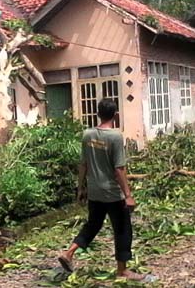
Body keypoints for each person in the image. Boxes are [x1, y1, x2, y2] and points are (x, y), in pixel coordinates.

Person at [57, 99, 144, 281]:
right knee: (122, 229)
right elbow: (119, 169)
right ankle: (122, 271)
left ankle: (69, 253)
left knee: (93, 225)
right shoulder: (115, 137)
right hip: (112, 193)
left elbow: (83, 164)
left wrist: (80, 188)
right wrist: (128, 195)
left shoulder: (87, 135)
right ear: (115, 115)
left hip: (95, 192)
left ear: (97, 114)